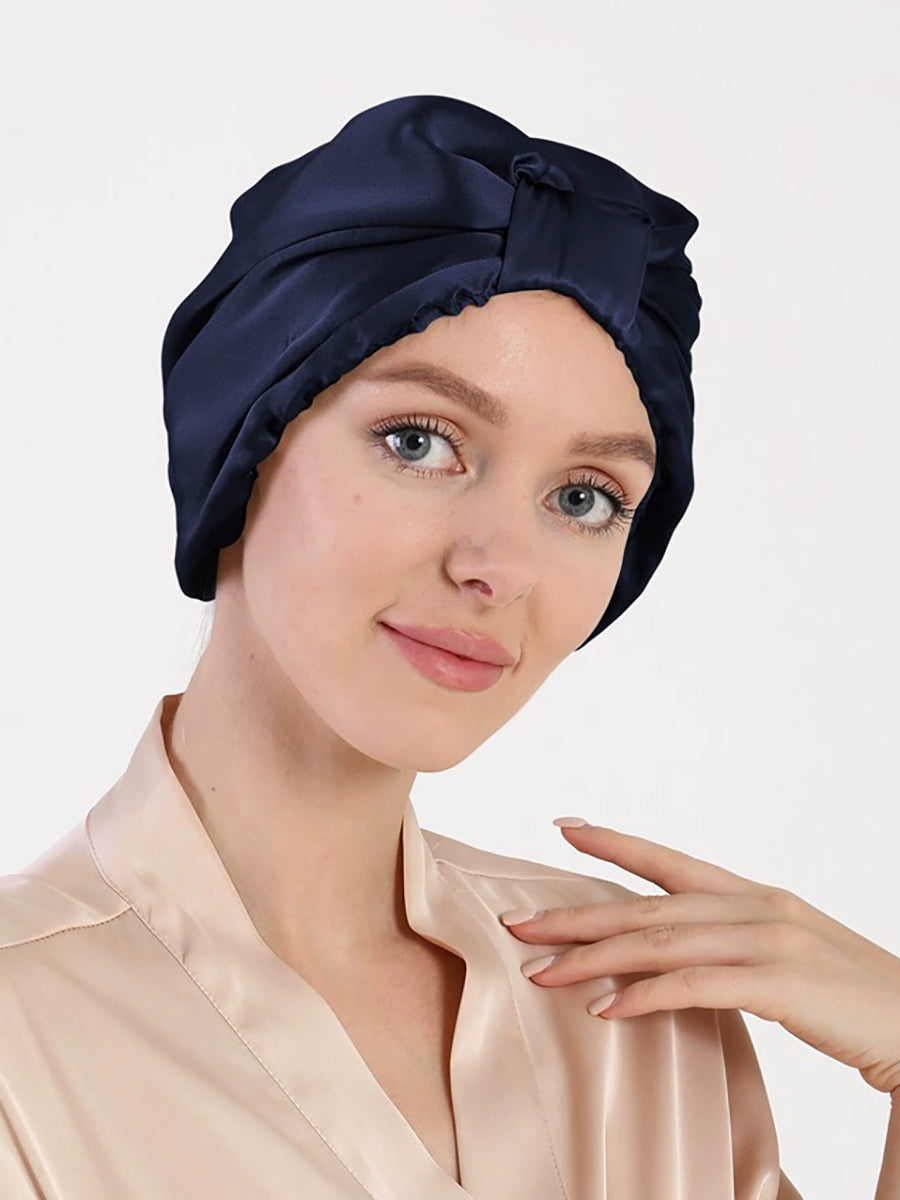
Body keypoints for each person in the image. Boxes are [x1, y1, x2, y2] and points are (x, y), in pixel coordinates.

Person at [2, 95, 898, 1200]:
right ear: (246, 440)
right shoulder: (23, 1039)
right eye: (419, 442)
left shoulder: (642, 1007)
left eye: (583, 496)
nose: (497, 565)